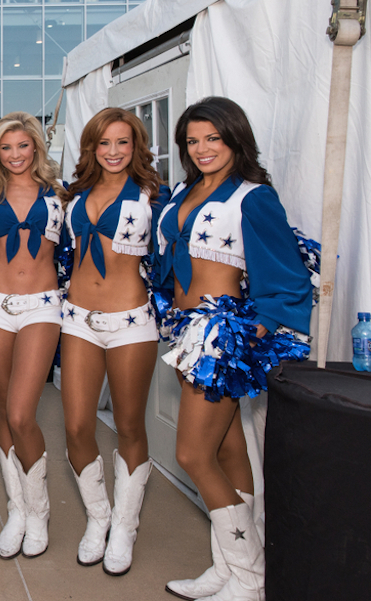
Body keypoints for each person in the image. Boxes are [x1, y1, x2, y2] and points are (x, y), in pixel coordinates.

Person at [155, 97, 311, 601]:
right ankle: (227, 569)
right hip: (185, 331)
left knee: (191, 454)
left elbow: (288, 271)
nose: (202, 149)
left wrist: (256, 330)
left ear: (234, 138)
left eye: (213, 138)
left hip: (220, 335)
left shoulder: (253, 196)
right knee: (226, 450)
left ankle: (250, 577)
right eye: (192, 141)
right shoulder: (184, 191)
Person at [61, 108, 168, 574]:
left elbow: (172, 254)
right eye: (104, 142)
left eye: (123, 142)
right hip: (78, 319)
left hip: (130, 321)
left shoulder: (154, 196)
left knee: (128, 426)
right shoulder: (74, 194)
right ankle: (98, 517)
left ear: (136, 145)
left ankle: (125, 526)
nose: (113, 151)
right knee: (76, 427)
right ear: (91, 147)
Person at [0, 112, 65, 559]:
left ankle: (39, 511)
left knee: (22, 413)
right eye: (5, 148)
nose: (15, 155)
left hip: (42, 305)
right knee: (4, 410)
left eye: (23, 145)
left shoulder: (62, 195)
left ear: (37, 147)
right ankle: (17, 510)